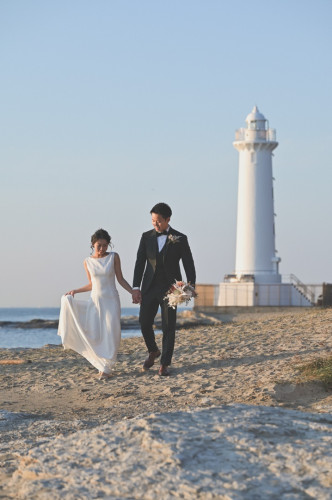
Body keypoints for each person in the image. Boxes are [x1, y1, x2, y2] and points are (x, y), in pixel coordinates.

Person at [58, 228, 133, 379]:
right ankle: (101, 365)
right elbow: (92, 284)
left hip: (111, 300)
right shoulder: (87, 262)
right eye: (99, 245)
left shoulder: (113, 257)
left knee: (111, 333)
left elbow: (120, 279)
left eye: (105, 245)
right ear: (93, 244)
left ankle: (107, 368)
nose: (102, 248)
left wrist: (133, 292)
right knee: (96, 334)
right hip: (95, 301)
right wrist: (75, 291)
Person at [132, 203, 196, 376]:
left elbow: (188, 263)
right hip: (149, 287)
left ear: (168, 219)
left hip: (171, 289)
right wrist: (136, 288)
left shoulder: (180, 238)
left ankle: (164, 364)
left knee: (168, 326)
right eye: (153, 220)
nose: (155, 224)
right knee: (144, 322)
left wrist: (190, 286)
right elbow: (140, 263)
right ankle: (153, 351)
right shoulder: (146, 237)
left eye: (159, 221)